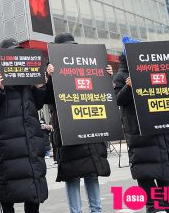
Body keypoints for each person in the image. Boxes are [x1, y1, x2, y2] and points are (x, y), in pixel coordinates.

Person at [45, 33, 112, 213]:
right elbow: (47, 98)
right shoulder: (51, 68)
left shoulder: (88, 63)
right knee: (72, 176)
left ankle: (96, 210)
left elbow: (102, 94)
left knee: (92, 174)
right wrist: (49, 78)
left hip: (89, 129)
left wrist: (106, 77)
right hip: (68, 131)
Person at [113, 53, 169, 213]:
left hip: (159, 127)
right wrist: (129, 86)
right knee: (144, 169)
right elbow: (117, 99)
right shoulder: (121, 75)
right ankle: (153, 206)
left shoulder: (154, 71)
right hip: (138, 131)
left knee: (164, 165)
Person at [0, 38, 48, 213]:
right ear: (2, 55)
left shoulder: (29, 73)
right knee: (7, 191)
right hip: (7, 142)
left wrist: (40, 87)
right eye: (11, 51)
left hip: (30, 140)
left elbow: (39, 103)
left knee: (33, 192)